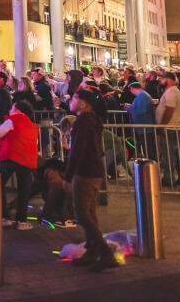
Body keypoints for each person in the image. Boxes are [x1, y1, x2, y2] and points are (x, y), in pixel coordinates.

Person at [64, 88, 118, 272]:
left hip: (85, 172)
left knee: (82, 214)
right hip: (94, 170)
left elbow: (77, 151)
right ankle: (92, 250)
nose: (71, 101)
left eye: (74, 98)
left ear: (83, 104)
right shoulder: (93, 120)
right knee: (90, 212)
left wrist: (68, 175)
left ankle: (105, 253)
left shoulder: (82, 122)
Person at [0, 99, 39, 230]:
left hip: (10, 156)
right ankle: (21, 221)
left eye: (12, 108)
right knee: (24, 190)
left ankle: (4, 217)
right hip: (27, 159)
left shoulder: (12, 120)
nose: (10, 110)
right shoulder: (32, 125)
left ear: (18, 110)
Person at [155, 71, 180, 187]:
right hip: (172, 127)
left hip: (170, 127)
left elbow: (169, 110)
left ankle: (168, 179)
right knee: (176, 153)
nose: (160, 81)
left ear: (168, 80)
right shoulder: (172, 91)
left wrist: (162, 125)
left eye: (162, 79)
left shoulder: (172, 92)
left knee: (168, 155)